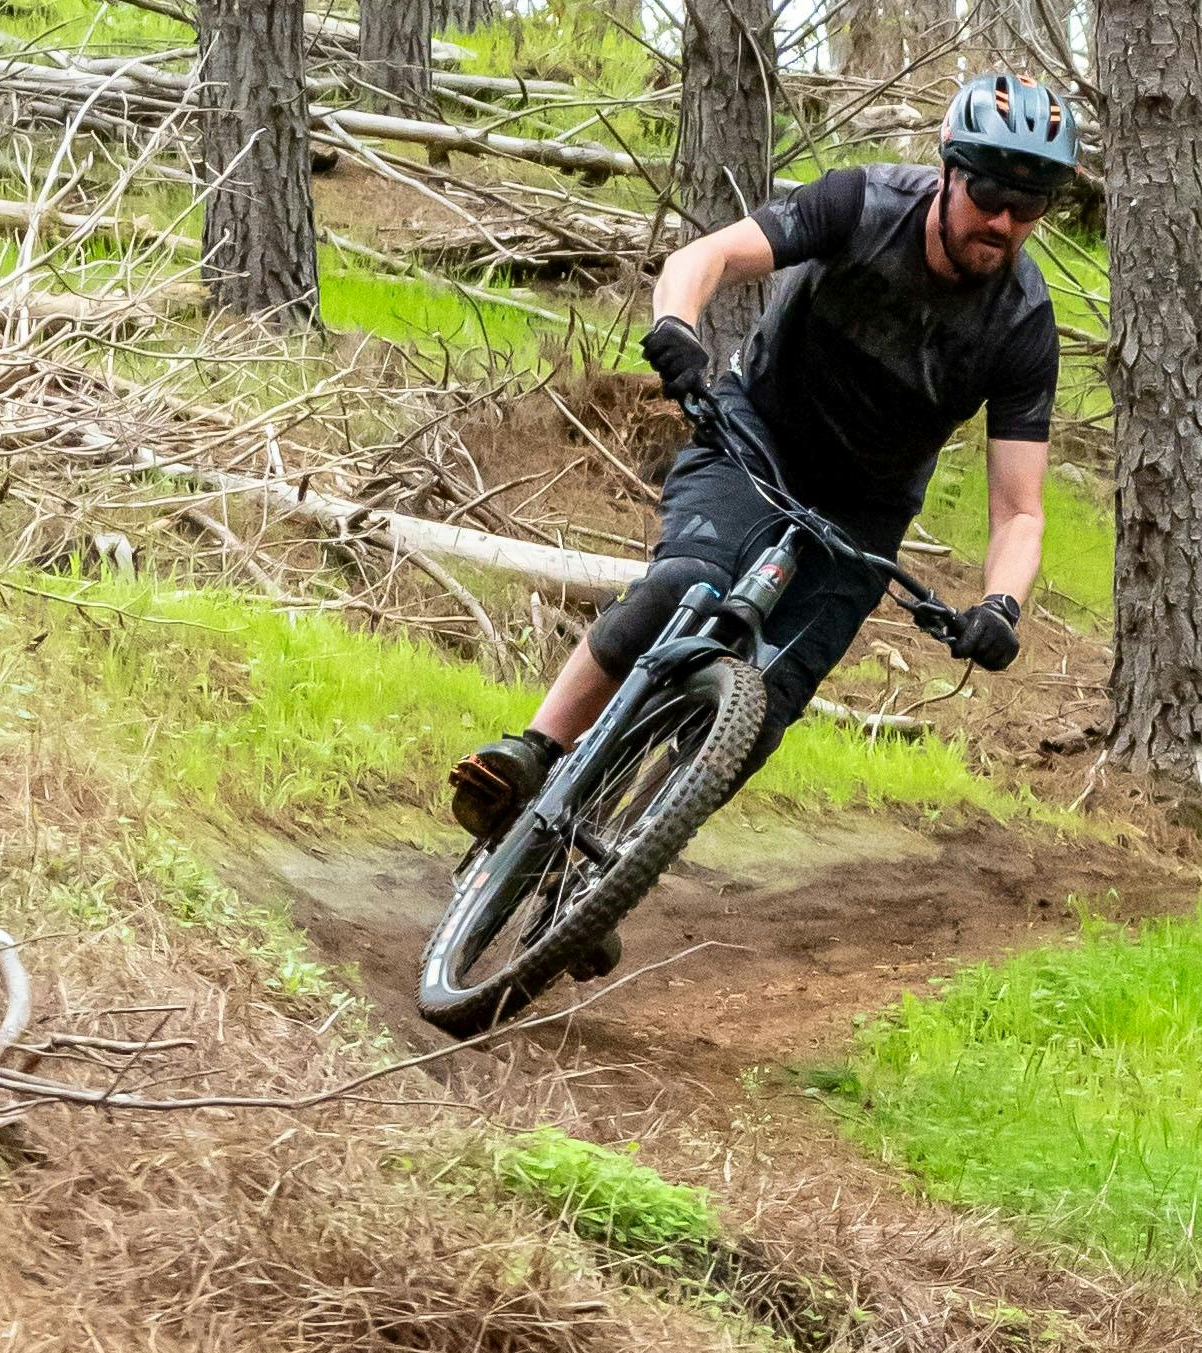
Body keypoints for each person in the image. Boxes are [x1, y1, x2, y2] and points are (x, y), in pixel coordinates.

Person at [445, 72, 1075, 889]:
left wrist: (1000, 605)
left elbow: (1020, 510)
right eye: (990, 192)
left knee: (765, 706)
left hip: (865, 510)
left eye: (1029, 207)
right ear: (951, 170)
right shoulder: (864, 204)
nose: (1003, 221)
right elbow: (706, 257)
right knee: (685, 582)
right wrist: (676, 326)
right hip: (757, 436)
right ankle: (532, 750)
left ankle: (616, 870)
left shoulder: (1023, 324)